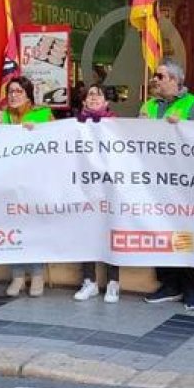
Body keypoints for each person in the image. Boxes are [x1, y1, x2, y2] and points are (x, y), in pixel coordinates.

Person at [139, 59, 194, 310]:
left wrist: (183, 128)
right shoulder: (149, 106)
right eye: (156, 76)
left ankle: (188, 284)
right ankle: (168, 282)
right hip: (156, 181)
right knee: (160, 230)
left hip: (185, 183)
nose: (155, 80)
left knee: (184, 233)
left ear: (175, 81)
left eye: (160, 76)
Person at [0, 76, 55, 297]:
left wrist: (39, 131)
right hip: (9, 182)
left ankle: (37, 275)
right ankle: (18, 276)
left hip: (35, 181)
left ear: (28, 94)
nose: (13, 95)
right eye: (10, 91)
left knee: (34, 229)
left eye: (19, 91)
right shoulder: (2, 116)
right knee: (13, 230)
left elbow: (54, 144)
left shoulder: (42, 114)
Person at [73, 84, 122, 304]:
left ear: (106, 102)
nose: (93, 98)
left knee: (112, 231)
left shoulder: (115, 125)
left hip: (109, 186)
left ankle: (113, 282)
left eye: (98, 94)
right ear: (83, 102)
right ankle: (89, 281)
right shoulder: (73, 126)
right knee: (86, 232)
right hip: (84, 187)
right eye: (89, 95)